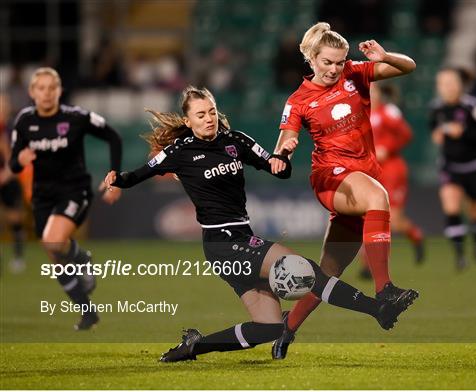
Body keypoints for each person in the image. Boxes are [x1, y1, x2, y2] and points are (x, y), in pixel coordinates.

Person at [103, 86, 417, 362]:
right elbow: (138, 174)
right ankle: (378, 308)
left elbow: (276, 168)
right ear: (188, 121)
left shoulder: (236, 141)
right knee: (305, 271)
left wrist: (283, 159)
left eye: (211, 111)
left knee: (267, 328)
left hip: (240, 238)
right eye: (200, 115)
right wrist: (117, 179)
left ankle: (194, 347)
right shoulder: (179, 152)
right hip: (222, 244)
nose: (208, 118)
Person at [272, 22, 419, 359]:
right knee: (378, 197)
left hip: (362, 178)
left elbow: (408, 65)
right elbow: (284, 138)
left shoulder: (355, 74)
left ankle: (286, 329)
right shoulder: (298, 100)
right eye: (327, 62)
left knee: (327, 274)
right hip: (331, 177)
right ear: (312, 59)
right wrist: (286, 148)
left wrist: (385, 56)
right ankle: (385, 291)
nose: (335, 69)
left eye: (339, 62)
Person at [9, 67, 123, 329]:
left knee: (53, 240)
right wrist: (20, 160)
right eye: (41, 88)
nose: (47, 93)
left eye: (52, 88)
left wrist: (114, 176)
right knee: (54, 255)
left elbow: (113, 136)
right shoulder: (24, 120)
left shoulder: (76, 116)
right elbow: (14, 163)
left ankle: (82, 258)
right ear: (32, 92)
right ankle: (88, 312)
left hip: (75, 189)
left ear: (60, 90)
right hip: (42, 196)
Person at [429, 67, 476, 270]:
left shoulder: (475, 107)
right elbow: (433, 127)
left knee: (475, 210)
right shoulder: (436, 108)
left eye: (451, 83)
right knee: (451, 207)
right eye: (443, 84)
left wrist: (464, 133)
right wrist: (437, 134)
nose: (447, 88)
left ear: (460, 85)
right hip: (450, 166)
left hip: (475, 166)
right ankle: (459, 256)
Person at [359, 83, 424, 280]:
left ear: (379, 93)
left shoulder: (388, 112)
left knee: (393, 221)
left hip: (392, 171)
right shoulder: (357, 116)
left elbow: (406, 135)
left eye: (372, 90)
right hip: (370, 172)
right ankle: (368, 266)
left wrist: (387, 147)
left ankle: (416, 236)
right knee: (367, 219)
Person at [0, 94, 26, 273]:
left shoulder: (11, 130)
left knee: (14, 219)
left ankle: (18, 258)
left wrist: (5, 175)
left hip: (8, 179)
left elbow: (14, 159)